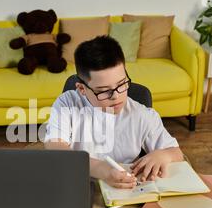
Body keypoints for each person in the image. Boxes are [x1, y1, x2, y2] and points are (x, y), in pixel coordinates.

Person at [44, 36, 183, 189]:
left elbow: (177, 153)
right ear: (82, 89)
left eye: (122, 84)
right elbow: (55, 147)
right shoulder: (67, 103)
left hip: (126, 191)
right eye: (104, 91)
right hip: (77, 186)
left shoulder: (143, 115)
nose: (116, 96)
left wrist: (164, 155)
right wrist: (100, 169)